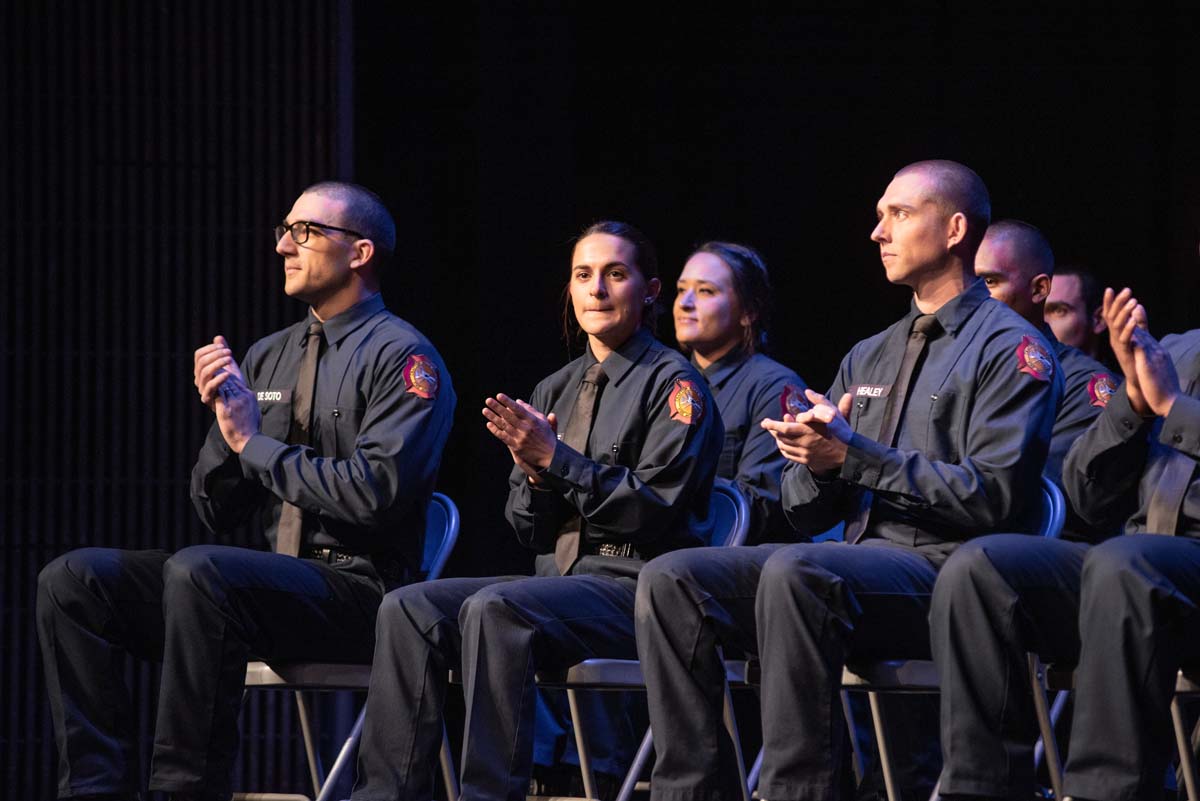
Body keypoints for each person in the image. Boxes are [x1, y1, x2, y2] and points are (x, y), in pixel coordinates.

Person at [636, 160, 1060, 801]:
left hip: (946, 574)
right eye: (880, 215)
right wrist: (814, 462)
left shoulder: (1010, 347)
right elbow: (803, 511)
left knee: (800, 572)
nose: (877, 231)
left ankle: (796, 792)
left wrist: (854, 456)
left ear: (954, 230)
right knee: (674, 578)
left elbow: (994, 496)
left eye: (899, 214)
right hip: (856, 566)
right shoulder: (870, 353)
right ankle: (692, 792)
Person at [36, 181, 456, 801]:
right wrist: (226, 431)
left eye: (305, 232)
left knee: (204, 573)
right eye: (285, 230)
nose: (284, 245)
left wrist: (252, 444)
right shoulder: (269, 355)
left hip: (360, 595)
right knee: (74, 580)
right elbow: (215, 509)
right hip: (257, 590)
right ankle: (94, 790)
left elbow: (376, 495)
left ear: (360, 252)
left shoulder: (403, 357)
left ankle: (183, 789)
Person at [349, 221, 723, 801]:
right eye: (583, 275)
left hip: (634, 591)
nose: (596, 289)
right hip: (560, 586)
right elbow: (527, 529)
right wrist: (534, 474)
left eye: (615, 274)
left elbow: (651, 511)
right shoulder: (555, 388)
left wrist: (556, 459)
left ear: (650, 291)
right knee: (409, 607)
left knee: (499, 609)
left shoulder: (675, 384)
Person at [929, 286, 1199, 801]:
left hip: (1158, 567)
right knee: (982, 566)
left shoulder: (1171, 374)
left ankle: (1103, 792)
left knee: (1126, 564)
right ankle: (981, 788)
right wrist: (1134, 405)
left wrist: (1172, 406)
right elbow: (1086, 497)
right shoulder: (1174, 351)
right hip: (1135, 563)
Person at [976, 219, 1118, 527]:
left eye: (989, 282)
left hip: (1013, 538)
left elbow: (1040, 495)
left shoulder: (1086, 383)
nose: (974, 296)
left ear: (1039, 289)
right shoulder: (962, 365)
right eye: (970, 283)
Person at [675, 241, 809, 543]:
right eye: (681, 289)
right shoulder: (668, 383)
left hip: (734, 557)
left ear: (748, 311)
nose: (685, 302)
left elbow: (760, 506)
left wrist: (662, 499)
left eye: (705, 291)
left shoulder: (775, 387)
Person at [1045, 263, 1108, 363]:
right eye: (1035, 311)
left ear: (1099, 320)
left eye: (1058, 311)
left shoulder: (1129, 373)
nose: (1038, 322)